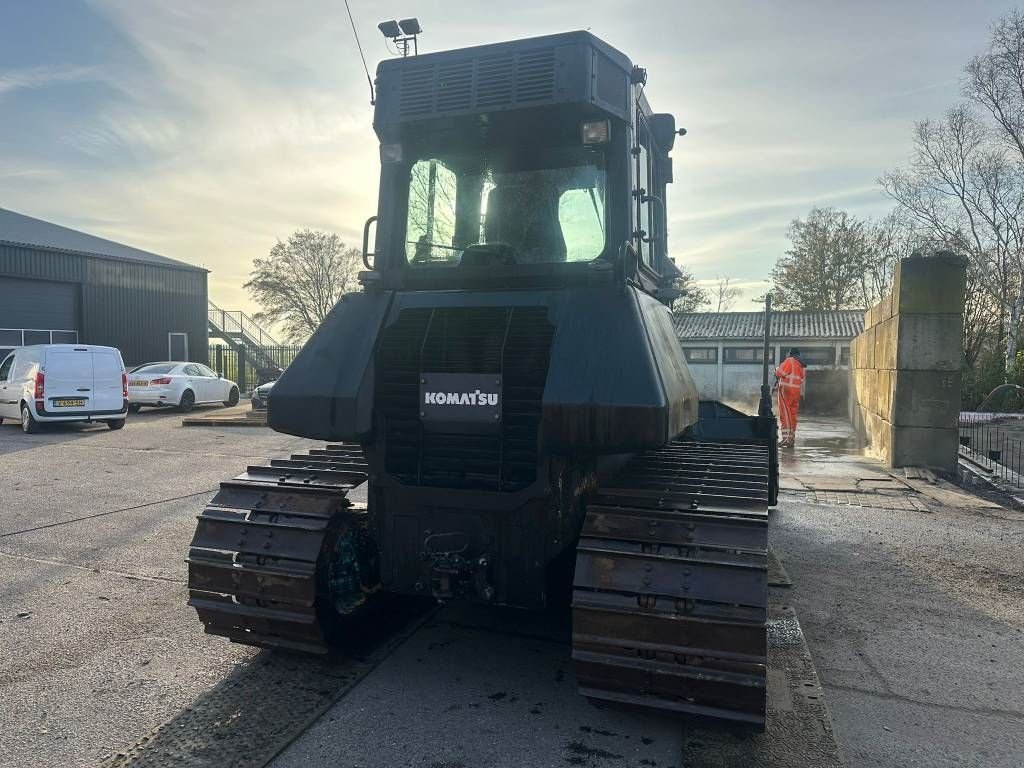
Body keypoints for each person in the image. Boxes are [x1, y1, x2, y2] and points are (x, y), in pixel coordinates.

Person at [774, 347, 806, 447]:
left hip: (786, 391)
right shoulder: (801, 365)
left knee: (785, 415)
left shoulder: (789, 361)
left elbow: (781, 372)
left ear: (790, 354)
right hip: (796, 392)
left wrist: (776, 370)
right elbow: (800, 379)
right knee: (792, 415)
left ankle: (786, 439)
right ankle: (791, 438)